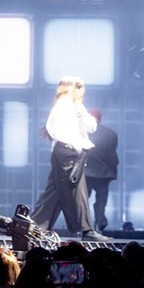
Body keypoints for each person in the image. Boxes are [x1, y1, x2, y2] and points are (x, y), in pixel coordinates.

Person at [30, 75, 110, 242]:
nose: (82, 94)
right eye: (80, 90)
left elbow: (92, 127)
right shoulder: (61, 108)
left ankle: (35, 228)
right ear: (72, 89)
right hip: (66, 153)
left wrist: (81, 110)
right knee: (77, 192)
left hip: (73, 154)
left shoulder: (76, 107)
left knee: (56, 192)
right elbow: (57, 132)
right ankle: (86, 230)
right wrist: (80, 142)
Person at [85, 108, 119, 233]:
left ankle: (84, 224)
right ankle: (100, 221)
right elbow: (112, 156)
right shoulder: (111, 134)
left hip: (86, 173)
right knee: (101, 201)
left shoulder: (82, 132)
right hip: (103, 174)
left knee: (83, 200)